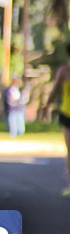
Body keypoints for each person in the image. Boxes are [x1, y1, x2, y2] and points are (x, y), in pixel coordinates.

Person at [46, 44, 70, 197]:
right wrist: (46, 106)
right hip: (67, 115)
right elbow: (54, 91)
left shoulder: (63, 71)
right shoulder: (63, 71)